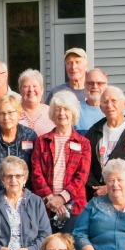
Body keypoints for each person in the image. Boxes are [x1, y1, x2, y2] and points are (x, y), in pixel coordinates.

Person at [29, 90, 91, 233]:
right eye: (58, 110)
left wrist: (62, 198)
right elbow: (36, 172)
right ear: (52, 113)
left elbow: (81, 176)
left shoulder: (84, 143)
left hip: (74, 206)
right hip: (45, 206)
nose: (62, 113)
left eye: (66, 109)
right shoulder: (42, 141)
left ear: (73, 113)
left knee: (70, 249)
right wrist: (51, 199)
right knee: (46, 249)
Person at [84, 85, 125, 200]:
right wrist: (98, 189)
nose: (109, 105)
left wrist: (109, 189)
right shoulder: (94, 131)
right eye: (105, 102)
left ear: (124, 104)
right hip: (97, 196)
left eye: (114, 101)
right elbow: (85, 165)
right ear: (100, 107)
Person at [0, 96, 37, 209]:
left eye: (10, 112)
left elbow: (36, 171)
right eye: (2, 113)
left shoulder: (30, 136)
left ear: (19, 114)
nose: (6, 117)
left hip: (25, 200)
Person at [17, 69, 53, 136]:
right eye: (26, 86)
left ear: (42, 90)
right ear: (20, 90)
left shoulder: (52, 113)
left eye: (35, 86)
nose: (31, 90)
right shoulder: (12, 112)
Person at [73, 68, 107, 134]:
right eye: (90, 83)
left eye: (99, 83)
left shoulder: (116, 108)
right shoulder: (75, 109)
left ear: (106, 85)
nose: (95, 86)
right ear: (85, 85)